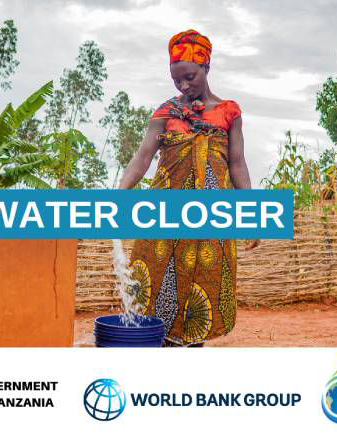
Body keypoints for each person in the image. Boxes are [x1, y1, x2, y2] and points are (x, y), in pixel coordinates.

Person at [118, 29, 258, 347]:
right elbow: (141, 159)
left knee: (201, 291)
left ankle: (190, 357)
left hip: (210, 221)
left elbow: (237, 164)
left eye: (190, 77)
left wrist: (252, 212)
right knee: (159, 288)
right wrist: (119, 193)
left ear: (207, 67)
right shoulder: (165, 114)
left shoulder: (228, 113)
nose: (183, 85)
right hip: (164, 219)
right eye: (176, 79)